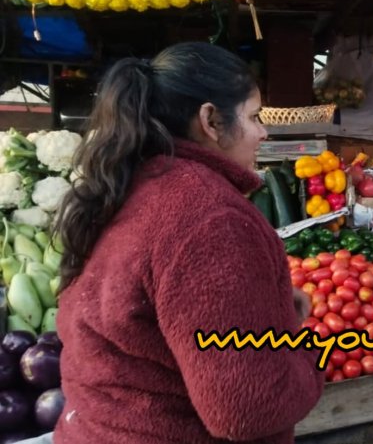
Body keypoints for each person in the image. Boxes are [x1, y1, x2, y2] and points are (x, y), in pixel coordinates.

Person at [50, 42, 324, 443]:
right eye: (253, 117)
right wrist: (306, 355)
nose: (264, 132)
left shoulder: (133, 184)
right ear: (210, 121)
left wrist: (275, 311)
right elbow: (247, 410)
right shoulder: (211, 216)